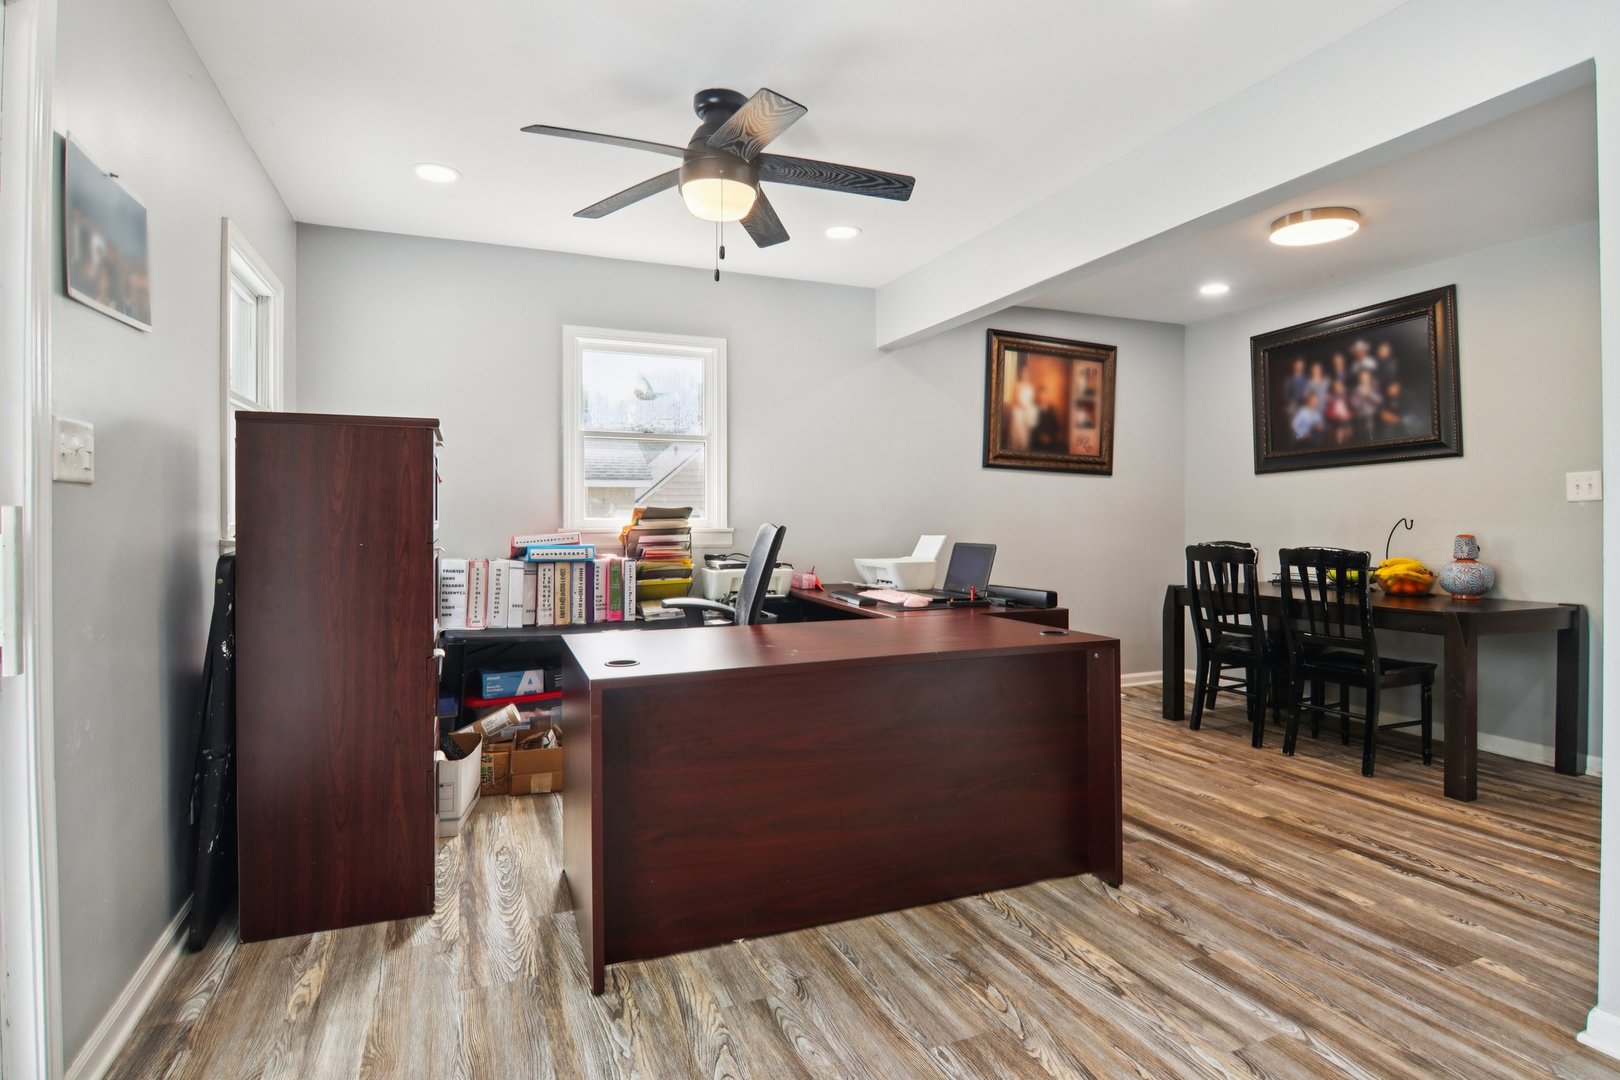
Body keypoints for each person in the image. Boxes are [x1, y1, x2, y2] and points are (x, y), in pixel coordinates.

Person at [1351, 368, 1382, 443]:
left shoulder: (1375, 386)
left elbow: (1379, 400)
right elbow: (1354, 404)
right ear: (1359, 378)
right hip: (1361, 417)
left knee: (1375, 438)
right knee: (1362, 438)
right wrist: (1361, 396)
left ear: (1369, 377)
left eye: (1366, 376)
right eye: (1362, 376)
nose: (1364, 378)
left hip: (1374, 416)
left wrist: (1369, 395)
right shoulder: (1356, 389)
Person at [1031, 384, 1063, 451]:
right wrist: (1040, 436)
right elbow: (1033, 427)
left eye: (1045, 395)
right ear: (1039, 396)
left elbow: (1056, 425)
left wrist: (1052, 437)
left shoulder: (1052, 408)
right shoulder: (1034, 408)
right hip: (1038, 439)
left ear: (1047, 396)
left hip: (1051, 439)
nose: (1043, 397)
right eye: (1041, 395)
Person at [1325, 378, 1353, 445]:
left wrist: (1349, 415)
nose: (1338, 388)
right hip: (1335, 420)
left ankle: (1345, 445)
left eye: (1339, 386)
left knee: (1349, 430)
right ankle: (1339, 445)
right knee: (1339, 429)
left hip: (1346, 418)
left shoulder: (1347, 397)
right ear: (1333, 388)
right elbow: (1328, 413)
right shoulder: (1330, 398)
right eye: (1336, 386)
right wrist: (1337, 416)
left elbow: (1352, 410)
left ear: (1343, 387)